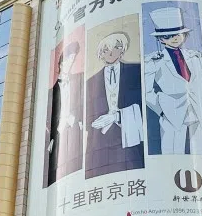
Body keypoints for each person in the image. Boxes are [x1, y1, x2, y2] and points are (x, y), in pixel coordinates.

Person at [144, 6, 202, 156]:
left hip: (198, 108)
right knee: (172, 151)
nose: (175, 38)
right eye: (168, 36)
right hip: (171, 110)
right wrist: (161, 109)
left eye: (178, 34)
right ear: (160, 39)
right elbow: (146, 89)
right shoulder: (154, 60)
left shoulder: (195, 56)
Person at [85, 32, 145, 179]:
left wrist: (117, 116)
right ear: (100, 54)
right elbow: (88, 115)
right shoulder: (91, 82)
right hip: (101, 140)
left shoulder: (136, 71)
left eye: (116, 48)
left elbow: (144, 103)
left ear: (123, 49)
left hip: (130, 136)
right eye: (106, 50)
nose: (111, 53)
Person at [45, 40, 84, 186]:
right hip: (58, 136)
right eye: (68, 60)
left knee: (76, 168)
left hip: (74, 130)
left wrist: (77, 120)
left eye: (73, 60)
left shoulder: (79, 81)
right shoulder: (50, 93)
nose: (71, 63)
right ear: (61, 63)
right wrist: (52, 138)